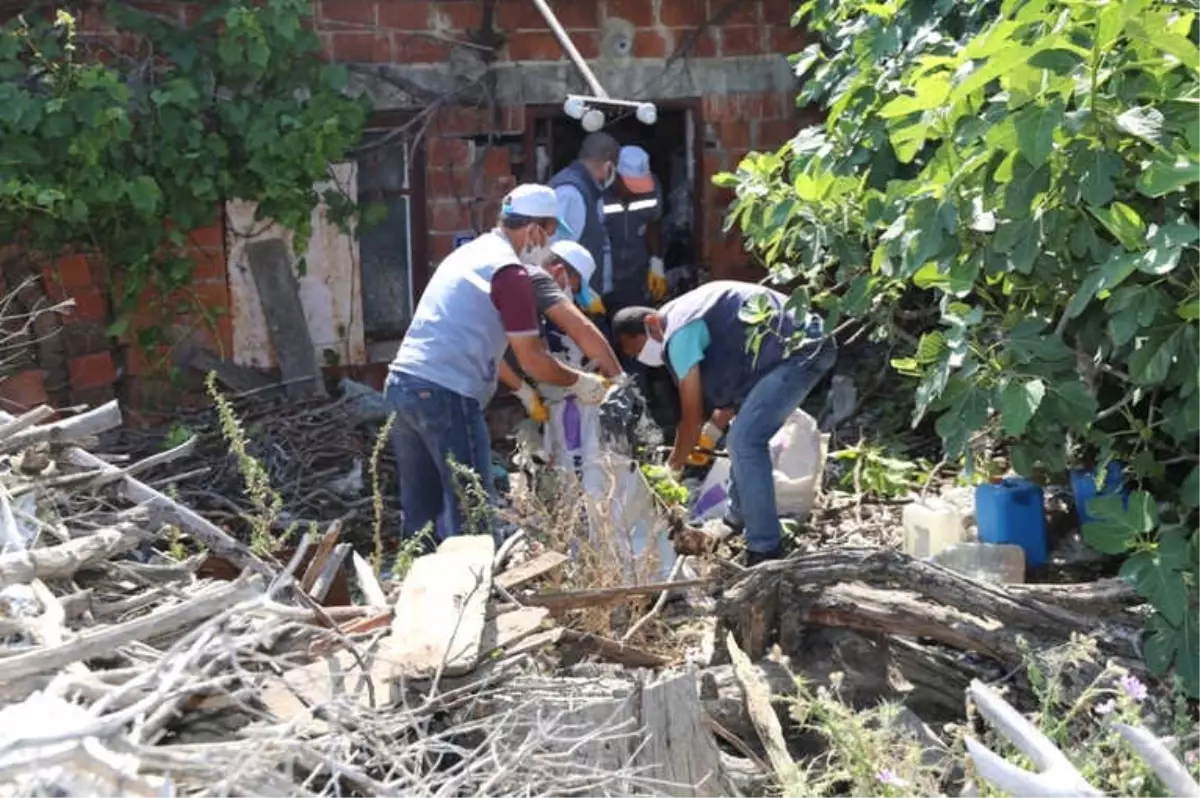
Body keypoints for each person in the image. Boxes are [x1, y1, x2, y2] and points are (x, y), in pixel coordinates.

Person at [387, 184, 610, 548]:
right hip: (447, 393)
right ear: (535, 229)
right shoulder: (510, 273)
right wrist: (582, 383)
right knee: (473, 512)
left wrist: (525, 390)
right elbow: (533, 360)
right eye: (551, 233)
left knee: (421, 516)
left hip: (403, 385)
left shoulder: (472, 253)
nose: (549, 245)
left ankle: (416, 591)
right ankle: (475, 598)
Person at [610, 281, 836, 566]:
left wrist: (673, 469)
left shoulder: (678, 333)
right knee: (744, 436)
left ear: (651, 324)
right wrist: (712, 433)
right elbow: (732, 386)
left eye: (638, 350)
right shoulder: (685, 315)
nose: (643, 358)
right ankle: (736, 518)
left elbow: (690, 414)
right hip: (799, 345)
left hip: (801, 349)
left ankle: (765, 549)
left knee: (745, 441)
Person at [549, 132, 620, 302]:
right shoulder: (570, 192)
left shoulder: (590, 190)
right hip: (571, 297)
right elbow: (556, 251)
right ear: (608, 165)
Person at [603, 145, 665, 313]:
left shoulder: (652, 189)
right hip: (604, 277)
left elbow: (653, 222)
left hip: (637, 275)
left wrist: (656, 261)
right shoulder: (598, 193)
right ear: (616, 175)